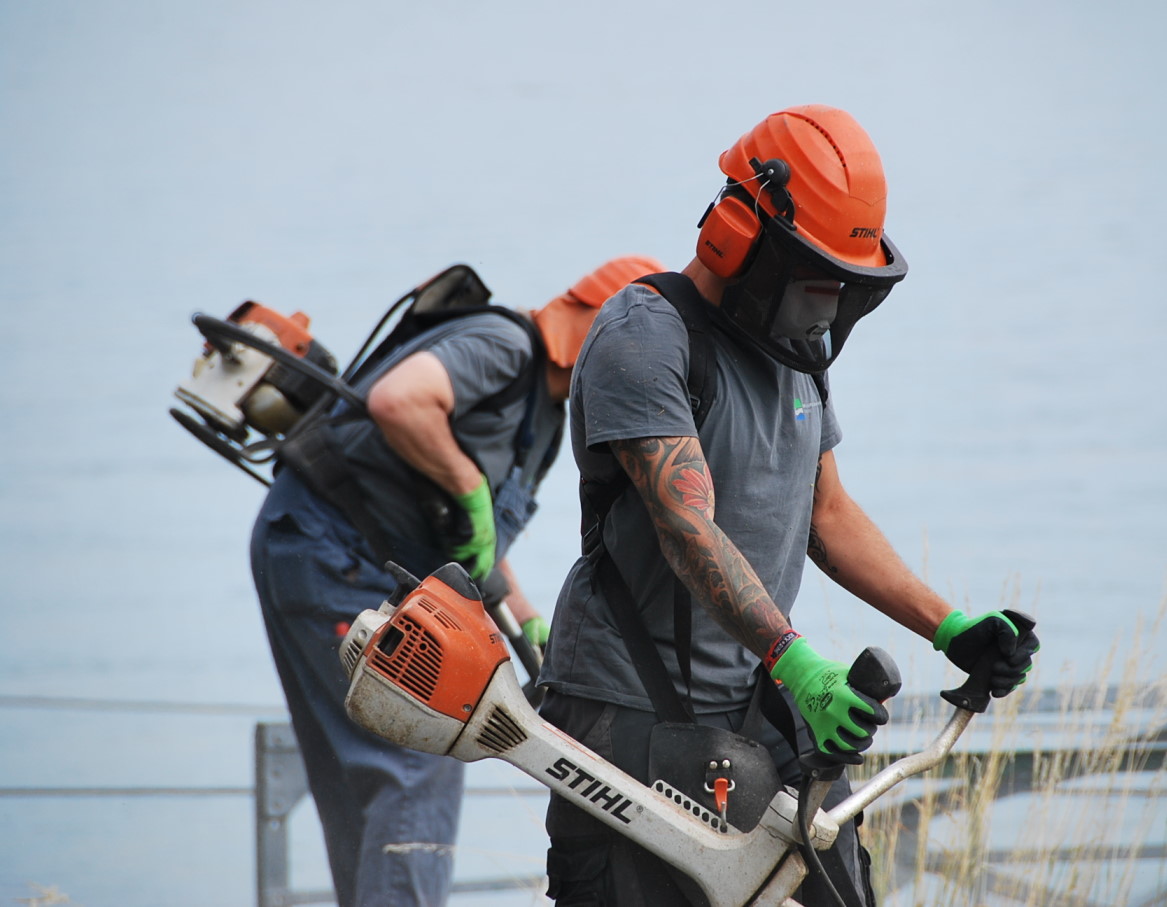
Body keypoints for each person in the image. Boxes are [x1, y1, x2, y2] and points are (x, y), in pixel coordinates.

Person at [536, 105, 1040, 906]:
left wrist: (949, 627)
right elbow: (684, 526)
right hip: (626, 710)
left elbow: (827, 515)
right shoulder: (646, 334)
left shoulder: (797, 355)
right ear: (737, 236)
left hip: (747, 705)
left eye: (844, 286)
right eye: (814, 279)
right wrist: (794, 659)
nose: (828, 306)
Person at [249, 254, 663, 907]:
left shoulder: (549, 412)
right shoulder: (503, 346)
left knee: (365, 775)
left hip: (333, 552)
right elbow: (400, 399)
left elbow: (460, 528)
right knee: (417, 759)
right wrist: (470, 486)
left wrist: (522, 611)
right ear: (601, 328)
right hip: (332, 549)